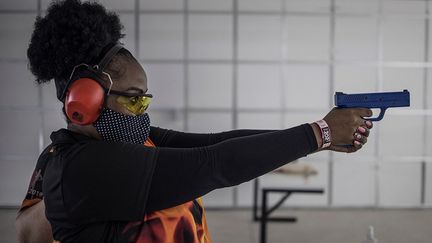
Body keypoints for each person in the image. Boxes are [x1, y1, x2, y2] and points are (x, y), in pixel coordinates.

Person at [15, 0, 373, 242]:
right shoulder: (82, 169)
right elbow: (215, 165)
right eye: (133, 97)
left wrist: (320, 135)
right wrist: (320, 133)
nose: (143, 109)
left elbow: (216, 142)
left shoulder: (125, 140)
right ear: (85, 102)